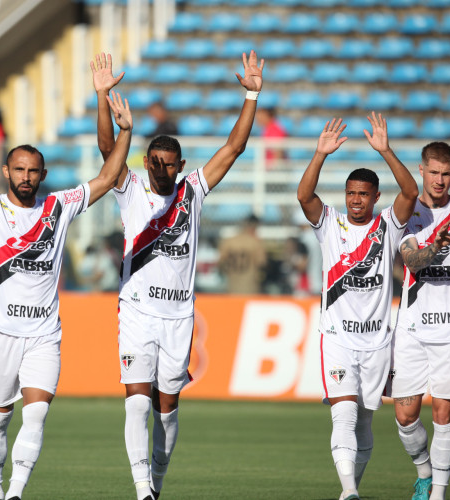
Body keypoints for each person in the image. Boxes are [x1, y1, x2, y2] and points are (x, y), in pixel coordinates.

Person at [0, 84, 133, 500]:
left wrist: (125, 130)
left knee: (38, 414)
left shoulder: (58, 207)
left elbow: (109, 177)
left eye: (33, 171)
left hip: (44, 335)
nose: (26, 177)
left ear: (42, 176)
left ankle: (14, 494)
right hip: (1, 332)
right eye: (19, 170)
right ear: (7, 172)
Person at [91, 50, 263, 500]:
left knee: (167, 407)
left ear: (181, 166)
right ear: (145, 162)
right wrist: (102, 96)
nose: (162, 169)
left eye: (170, 163)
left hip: (178, 317)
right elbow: (109, 152)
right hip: (136, 313)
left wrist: (250, 94)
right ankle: (141, 488)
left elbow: (234, 148)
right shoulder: (129, 190)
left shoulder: (194, 191)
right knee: (136, 400)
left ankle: (158, 485)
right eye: (155, 161)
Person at [296, 114, 418, 500]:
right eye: (351, 193)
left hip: (378, 341)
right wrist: (319, 154)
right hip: (337, 339)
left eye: (363, 194)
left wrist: (385, 150)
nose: (355, 199)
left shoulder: (387, 226)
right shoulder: (330, 223)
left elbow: (411, 193)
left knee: (364, 422)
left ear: (375, 197)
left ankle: (353, 488)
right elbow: (304, 196)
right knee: (344, 414)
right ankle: (348, 491)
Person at [387, 141, 450, 500]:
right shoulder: (406, 211)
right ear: (421, 171)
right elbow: (412, 261)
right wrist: (441, 245)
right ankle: (424, 471)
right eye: (433, 172)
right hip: (412, 329)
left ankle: (438, 495)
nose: (439, 180)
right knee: (405, 418)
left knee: (444, 416)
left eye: (446, 174)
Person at [217, 214, 267, 294]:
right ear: (253, 227)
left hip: (232, 288)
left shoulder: (229, 242)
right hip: (250, 289)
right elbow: (262, 264)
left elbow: (221, 264)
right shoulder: (256, 243)